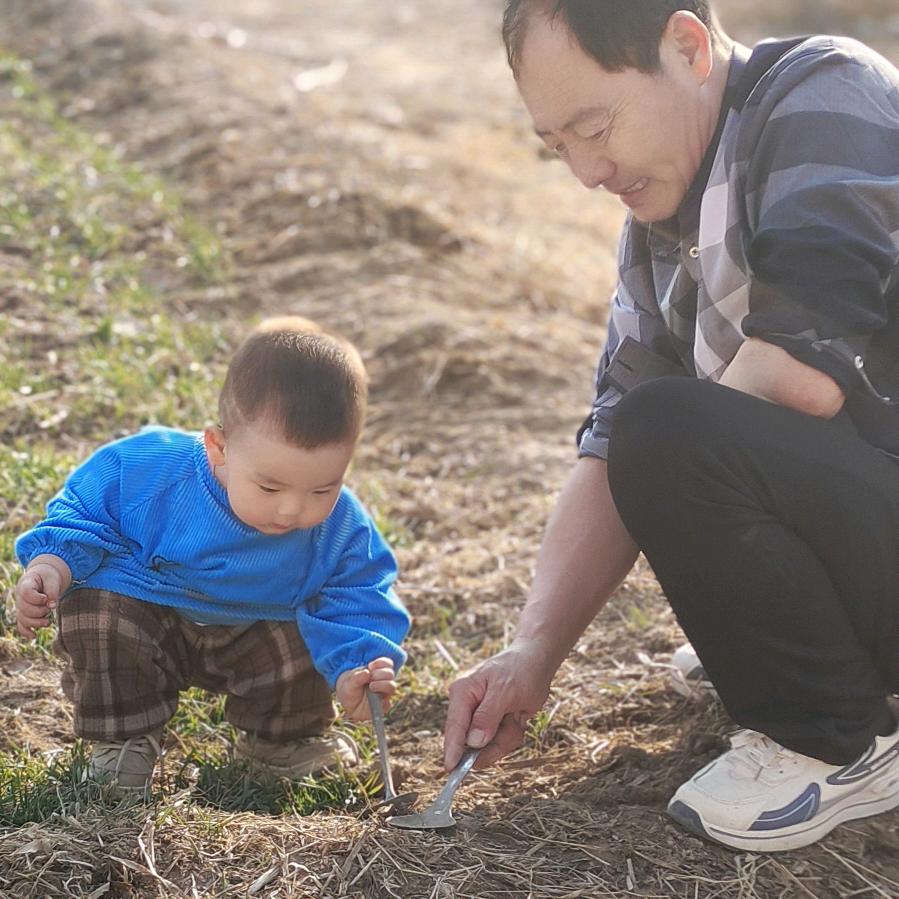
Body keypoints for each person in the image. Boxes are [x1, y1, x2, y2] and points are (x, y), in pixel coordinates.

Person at [444, 0, 899, 852]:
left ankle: (835, 739)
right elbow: (612, 440)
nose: (585, 169)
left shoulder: (826, 96)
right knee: (654, 429)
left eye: (592, 124)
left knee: (672, 430)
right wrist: (529, 656)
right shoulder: (658, 228)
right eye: (557, 145)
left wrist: (682, 473)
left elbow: (799, 379)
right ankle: (825, 657)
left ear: (686, 46)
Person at [15, 316, 410, 789]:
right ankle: (125, 741)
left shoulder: (340, 527)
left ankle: (278, 742)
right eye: (269, 485)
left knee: (309, 631)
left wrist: (356, 668)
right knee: (97, 609)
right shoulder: (152, 471)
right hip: (153, 615)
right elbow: (85, 511)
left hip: (257, 630)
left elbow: (358, 593)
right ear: (219, 447)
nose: (292, 509)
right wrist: (52, 563)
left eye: (323, 488)